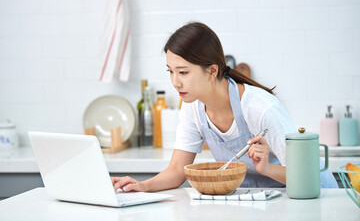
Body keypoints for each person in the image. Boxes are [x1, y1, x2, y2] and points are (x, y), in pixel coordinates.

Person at [112, 22, 338, 191]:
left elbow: (305, 177)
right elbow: (176, 171)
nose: (175, 82)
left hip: (311, 197)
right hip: (255, 200)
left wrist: (267, 168)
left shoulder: (260, 108)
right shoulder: (192, 108)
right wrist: (142, 186)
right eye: (170, 71)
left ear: (212, 71)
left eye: (183, 72)